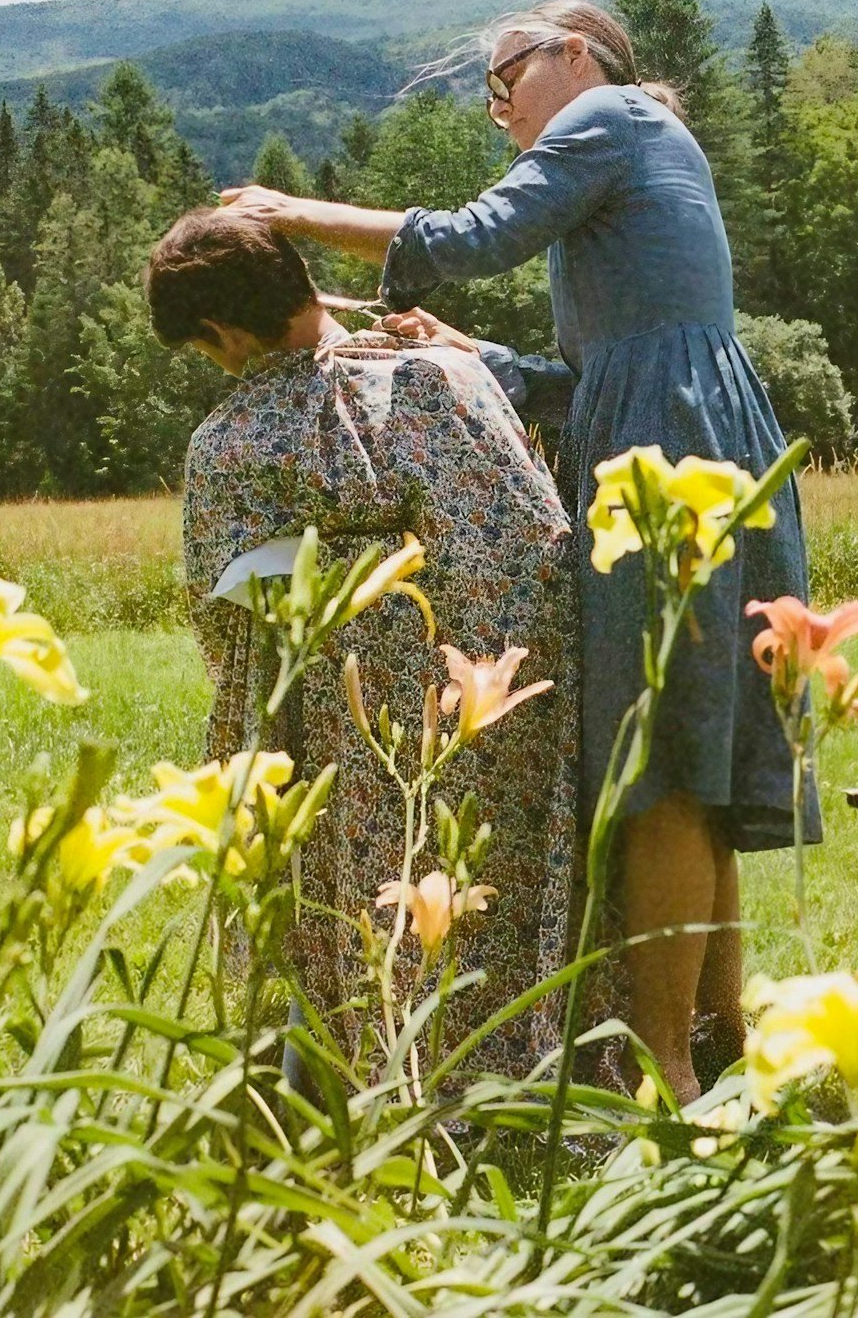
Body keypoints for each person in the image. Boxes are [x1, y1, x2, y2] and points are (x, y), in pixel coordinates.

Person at [218, 0, 813, 1102]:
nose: (501, 112)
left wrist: (286, 210)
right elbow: (587, 384)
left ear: (575, 54)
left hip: (666, 460)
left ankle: (665, 1069)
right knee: (691, 762)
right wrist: (472, 352)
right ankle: (718, 1043)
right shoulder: (628, 157)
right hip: (684, 438)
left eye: (505, 81)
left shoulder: (612, 117)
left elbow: (467, 237)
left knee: (661, 770)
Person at [149, 209, 577, 1081]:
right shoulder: (441, 377)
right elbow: (537, 540)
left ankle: (345, 1070)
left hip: (336, 735)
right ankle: (509, 1066)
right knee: (476, 874)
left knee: (346, 887)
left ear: (225, 332)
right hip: (486, 709)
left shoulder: (227, 444)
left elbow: (224, 621)